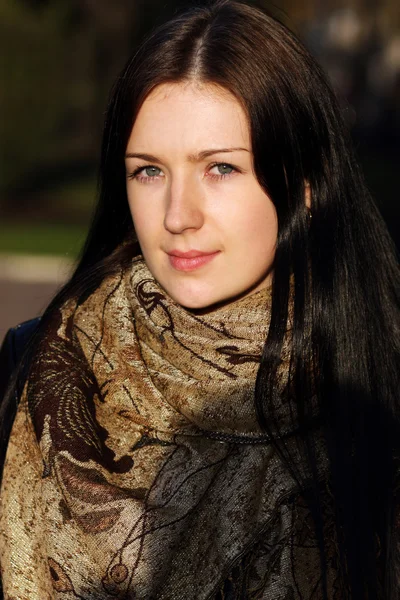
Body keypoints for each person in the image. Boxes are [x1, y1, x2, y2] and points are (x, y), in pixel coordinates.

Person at [0, 1, 399, 598]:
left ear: (307, 185)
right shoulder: (35, 366)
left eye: (221, 168)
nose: (177, 217)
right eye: (148, 171)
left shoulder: (375, 386)